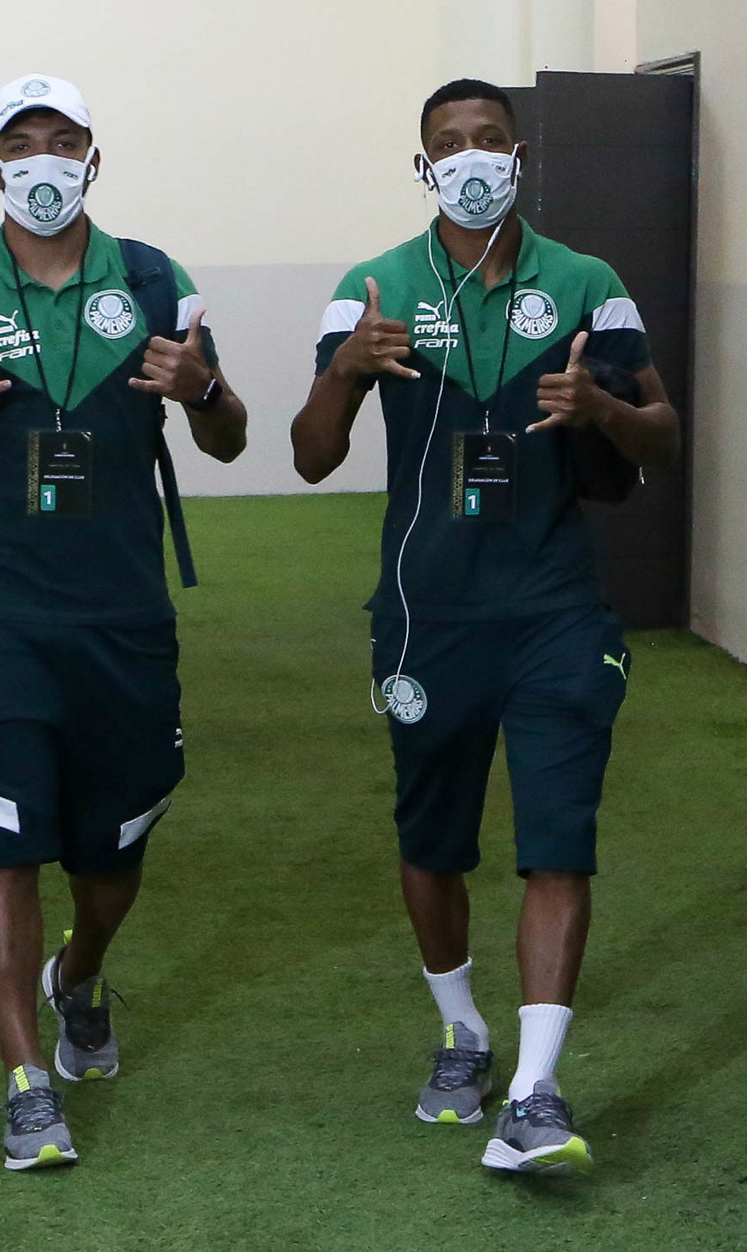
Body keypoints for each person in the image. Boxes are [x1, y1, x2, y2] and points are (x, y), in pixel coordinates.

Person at [291, 78, 678, 1175]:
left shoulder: (587, 283)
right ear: (424, 167)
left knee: (558, 839)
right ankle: (462, 1031)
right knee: (433, 840)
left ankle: (535, 1089)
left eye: (489, 139)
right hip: (427, 615)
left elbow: (662, 436)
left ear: (520, 156)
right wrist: (344, 370)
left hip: (557, 609)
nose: (471, 158)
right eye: (449, 144)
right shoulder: (373, 287)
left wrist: (601, 409)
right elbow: (310, 454)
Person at [0, 73, 246, 1171]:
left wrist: (201, 389)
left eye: (64, 140)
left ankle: (78, 974)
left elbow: (229, 437)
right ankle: (27, 1085)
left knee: (112, 853)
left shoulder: (155, 279)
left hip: (124, 614)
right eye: (22, 143)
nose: (44, 160)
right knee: (2, 845)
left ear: (93, 158)